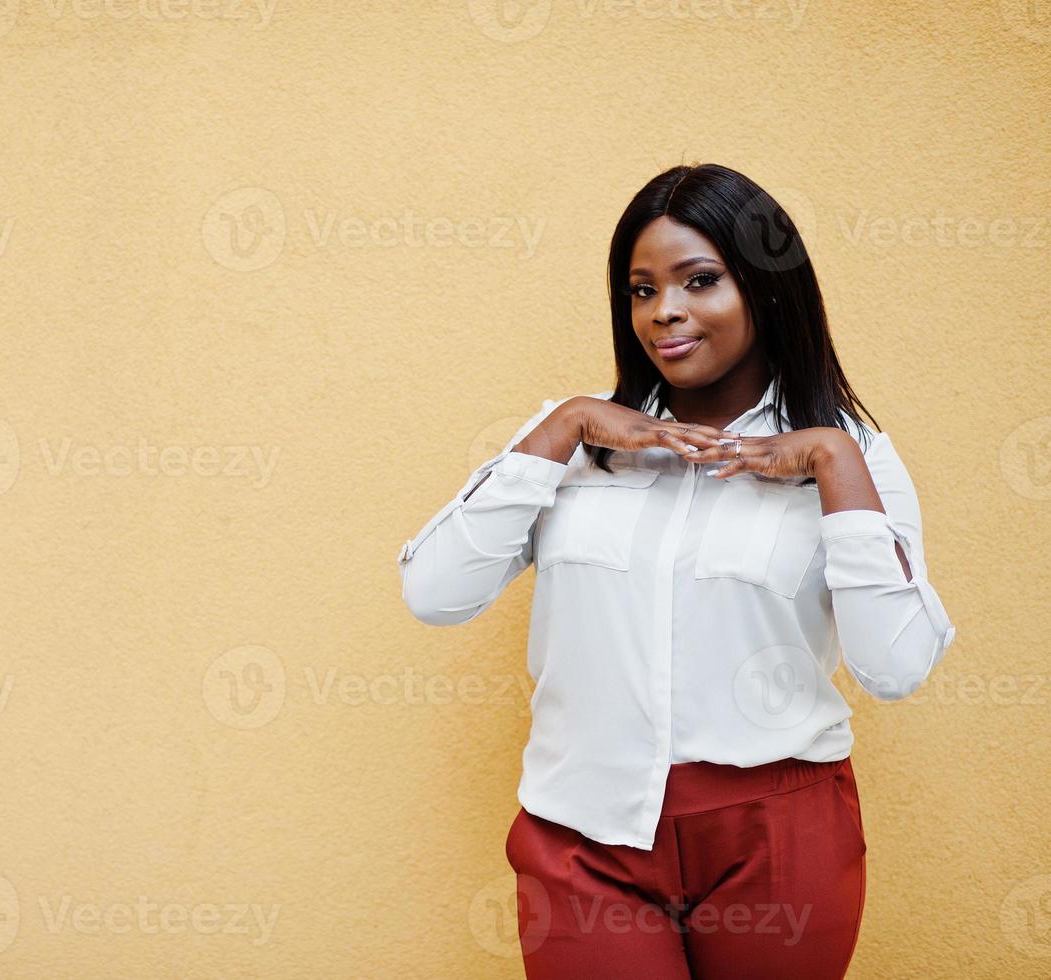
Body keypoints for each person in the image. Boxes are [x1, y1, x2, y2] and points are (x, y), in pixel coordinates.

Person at [396, 163, 956, 979]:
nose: (664, 312)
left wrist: (832, 463)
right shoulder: (576, 443)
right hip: (583, 833)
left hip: (777, 836)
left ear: (765, 289)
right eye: (640, 289)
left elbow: (895, 668)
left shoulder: (855, 456)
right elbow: (435, 594)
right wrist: (563, 426)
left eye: (699, 281)